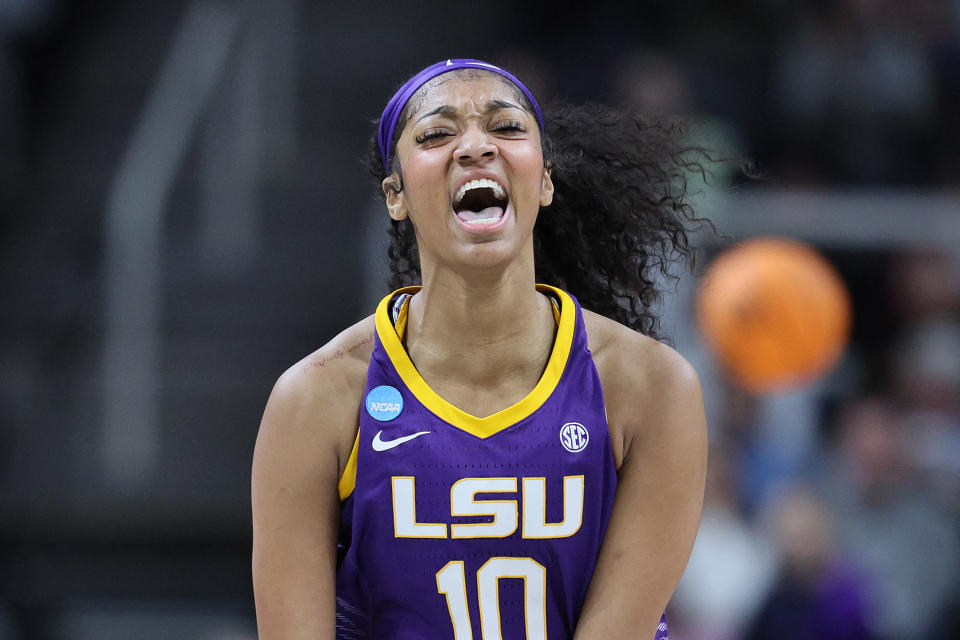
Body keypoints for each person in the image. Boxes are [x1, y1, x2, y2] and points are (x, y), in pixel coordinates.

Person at [251, 58, 708, 640]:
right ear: (395, 196)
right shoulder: (314, 399)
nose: (474, 146)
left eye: (507, 128)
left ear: (543, 180)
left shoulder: (651, 387)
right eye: (437, 134)